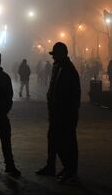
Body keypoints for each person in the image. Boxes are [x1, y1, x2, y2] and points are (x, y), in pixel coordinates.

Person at [36, 42, 81, 184]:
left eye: (55, 54)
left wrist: (64, 113)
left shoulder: (68, 70)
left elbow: (71, 95)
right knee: (53, 139)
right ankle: (53, 167)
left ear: (62, 54)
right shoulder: (59, 67)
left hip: (65, 114)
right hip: (56, 112)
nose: (53, 57)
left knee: (66, 142)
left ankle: (70, 170)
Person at [0, 51, 21, 176]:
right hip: (1, 113)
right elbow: (9, 96)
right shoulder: (4, 76)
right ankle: (9, 164)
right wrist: (5, 109)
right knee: (5, 140)